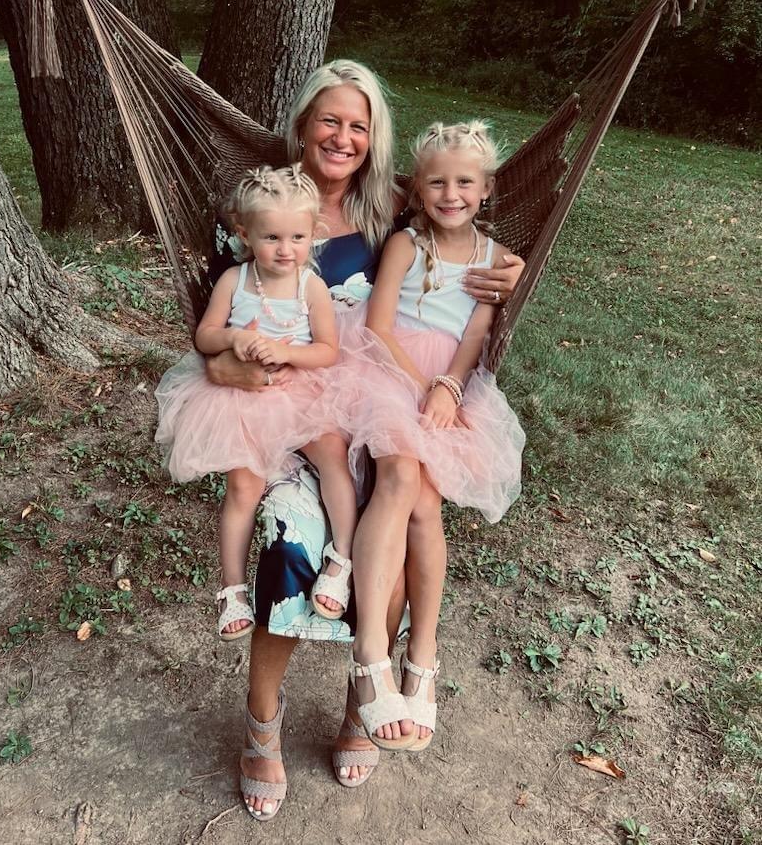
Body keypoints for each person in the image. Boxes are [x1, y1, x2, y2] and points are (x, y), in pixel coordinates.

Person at [202, 62, 525, 819]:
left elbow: (459, 239)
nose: (343, 137)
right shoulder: (258, 205)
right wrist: (231, 367)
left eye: (359, 125)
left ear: (374, 138)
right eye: (329, 120)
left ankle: (363, 702)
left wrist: (507, 269)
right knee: (291, 544)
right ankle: (262, 722)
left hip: (381, 408)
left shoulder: (394, 211)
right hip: (288, 408)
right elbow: (219, 318)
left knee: (403, 530)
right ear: (302, 126)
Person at [341, 120, 525, 751]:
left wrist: (448, 387)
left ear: (487, 188)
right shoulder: (406, 244)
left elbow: (474, 337)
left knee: (427, 505)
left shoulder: (495, 259)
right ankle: (371, 652)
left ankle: (422, 653)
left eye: (465, 182)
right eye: (437, 183)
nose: (452, 194)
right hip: (385, 369)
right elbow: (379, 326)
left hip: (448, 381)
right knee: (399, 476)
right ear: (417, 190)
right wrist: (421, 386)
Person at [154, 165, 358, 643]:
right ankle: (232, 589)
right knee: (243, 485)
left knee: (332, 453)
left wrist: (287, 353)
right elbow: (205, 336)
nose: (285, 249)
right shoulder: (235, 280)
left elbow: (327, 350)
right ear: (245, 234)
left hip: (300, 391)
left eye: (297, 237)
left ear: (313, 234)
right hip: (241, 399)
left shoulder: (310, 286)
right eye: (272, 238)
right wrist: (234, 339)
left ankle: (341, 559)